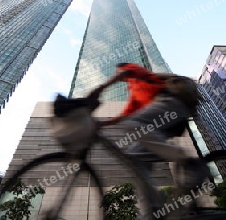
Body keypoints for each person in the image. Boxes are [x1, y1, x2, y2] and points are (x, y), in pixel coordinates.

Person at [88, 63, 211, 213]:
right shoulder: (134, 91)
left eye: (118, 70)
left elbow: (124, 74)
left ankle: (190, 163)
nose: (118, 74)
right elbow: (125, 115)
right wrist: (100, 124)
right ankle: (153, 210)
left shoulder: (136, 71)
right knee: (133, 159)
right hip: (161, 127)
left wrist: (101, 88)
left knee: (133, 123)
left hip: (172, 103)